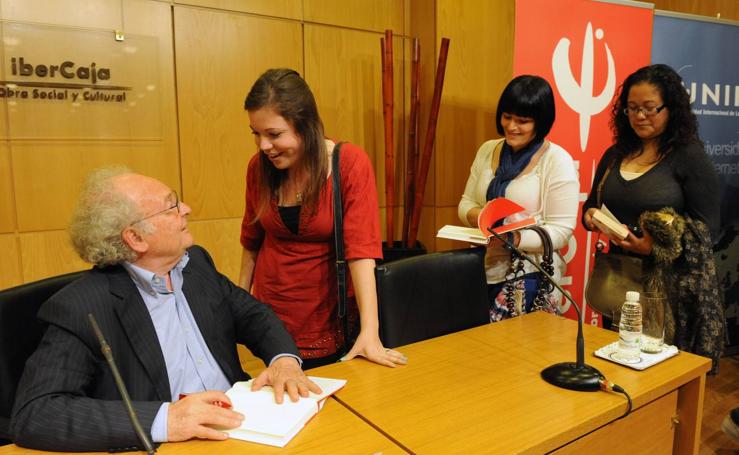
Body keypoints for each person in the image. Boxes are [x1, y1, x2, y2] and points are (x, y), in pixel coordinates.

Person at [10, 167, 320, 452]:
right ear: (136, 237)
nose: (186, 209)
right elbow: (36, 412)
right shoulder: (81, 307)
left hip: (249, 427)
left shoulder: (195, 264)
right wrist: (165, 418)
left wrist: (283, 360)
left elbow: (254, 315)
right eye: (171, 206)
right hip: (174, 445)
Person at [239, 68, 406, 369]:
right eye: (256, 134)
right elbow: (251, 241)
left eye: (274, 134)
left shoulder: (349, 164)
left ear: (305, 125)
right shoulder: (258, 168)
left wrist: (370, 330)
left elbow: (362, 251)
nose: (263, 146)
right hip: (272, 313)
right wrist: (240, 308)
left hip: (327, 316)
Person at [582, 64, 724, 372]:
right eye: (631, 109)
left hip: (671, 290)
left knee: (661, 371)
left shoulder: (689, 156)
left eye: (649, 109)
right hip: (620, 280)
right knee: (619, 363)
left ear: (670, 109)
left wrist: (655, 247)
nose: (639, 116)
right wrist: (591, 216)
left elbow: (709, 229)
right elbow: (590, 204)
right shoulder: (617, 153)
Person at [458, 75, 578, 321]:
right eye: (507, 117)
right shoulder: (488, 149)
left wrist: (512, 237)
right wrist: (482, 219)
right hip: (482, 269)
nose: (511, 126)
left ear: (541, 123)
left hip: (529, 273)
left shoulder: (557, 160)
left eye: (522, 121)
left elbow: (562, 230)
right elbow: (465, 204)